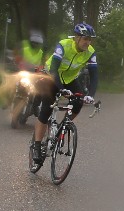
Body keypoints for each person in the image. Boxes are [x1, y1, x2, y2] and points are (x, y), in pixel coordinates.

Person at [30, 22, 100, 164]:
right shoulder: (63, 45)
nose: (88, 42)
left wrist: (90, 95)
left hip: (70, 79)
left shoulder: (90, 52)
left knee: (78, 103)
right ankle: (36, 146)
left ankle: (62, 126)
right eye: (85, 39)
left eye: (90, 39)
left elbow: (94, 76)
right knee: (46, 109)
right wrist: (61, 89)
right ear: (77, 38)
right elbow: (54, 69)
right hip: (52, 76)